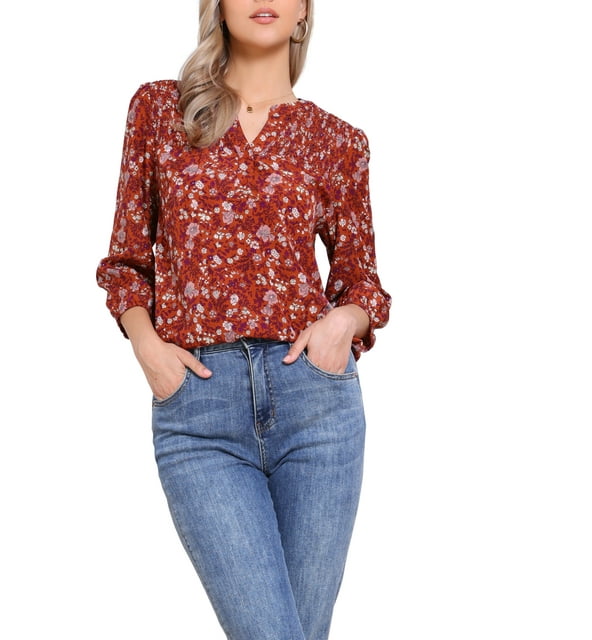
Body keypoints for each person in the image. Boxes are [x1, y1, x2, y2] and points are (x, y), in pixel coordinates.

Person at [96, 1, 391, 638]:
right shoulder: (160, 110)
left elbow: (362, 282)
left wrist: (343, 322)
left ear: (305, 11)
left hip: (316, 409)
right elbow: (125, 262)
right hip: (199, 413)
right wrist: (148, 348)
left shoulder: (338, 141)